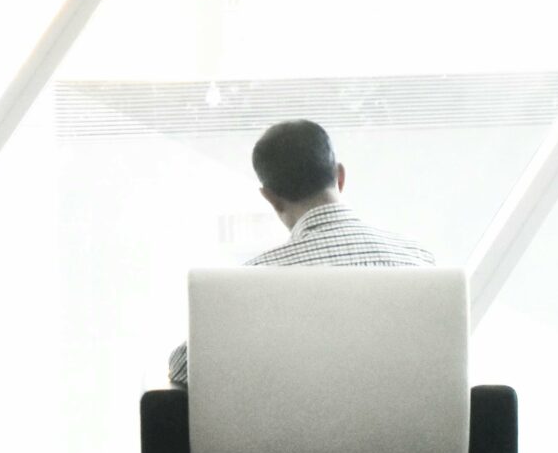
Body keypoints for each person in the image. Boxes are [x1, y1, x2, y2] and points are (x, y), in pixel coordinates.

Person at [167, 118, 432, 386]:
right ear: (339, 177)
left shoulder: (250, 283)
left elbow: (181, 369)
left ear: (270, 197)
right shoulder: (419, 261)